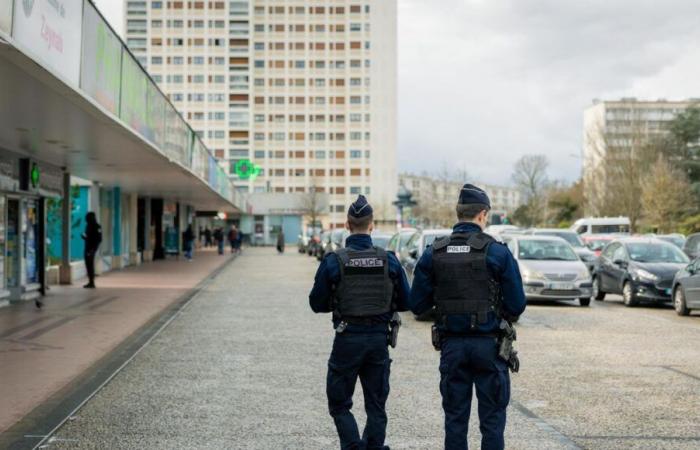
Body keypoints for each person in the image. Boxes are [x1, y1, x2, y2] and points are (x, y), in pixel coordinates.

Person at [409, 184, 526, 450]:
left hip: (452, 346)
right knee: (493, 421)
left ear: (458, 213)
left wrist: (444, 306)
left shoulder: (434, 252)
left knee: (455, 420)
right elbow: (517, 305)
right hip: (490, 347)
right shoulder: (497, 252)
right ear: (483, 214)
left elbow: (416, 305)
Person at [309, 195, 410, 450]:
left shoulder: (335, 260)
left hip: (347, 339)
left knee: (340, 403)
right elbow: (407, 302)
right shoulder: (389, 260)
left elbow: (316, 304)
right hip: (378, 340)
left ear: (347, 224)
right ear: (372, 225)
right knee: (376, 405)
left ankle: (354, 446)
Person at [81, 212, 102, 289]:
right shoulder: (88, 226)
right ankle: (90, 281)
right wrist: (84, 237)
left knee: (90, 265)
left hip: (91, 248)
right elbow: (88, 237)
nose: (86, 219)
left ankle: (92, 282)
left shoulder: (97, 226)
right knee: (88, 265)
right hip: (87, 247)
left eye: (87, 218)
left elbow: (99, 239)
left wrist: (94, 249)